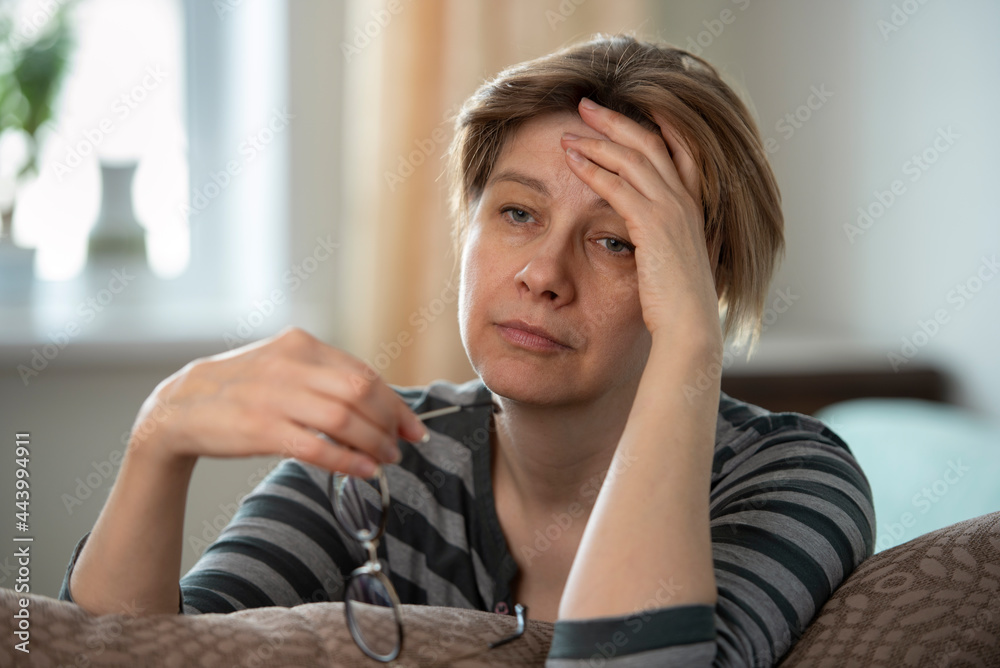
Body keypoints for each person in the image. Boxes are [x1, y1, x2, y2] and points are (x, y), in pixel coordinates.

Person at [60, 34, 875, 666]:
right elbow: (125, 653)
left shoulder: (795, 477)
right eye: (517, 214)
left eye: (618, 242)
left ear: (698, 284)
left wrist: (692, 348)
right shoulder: (376, 461)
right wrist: (159, 438)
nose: (543, 275)